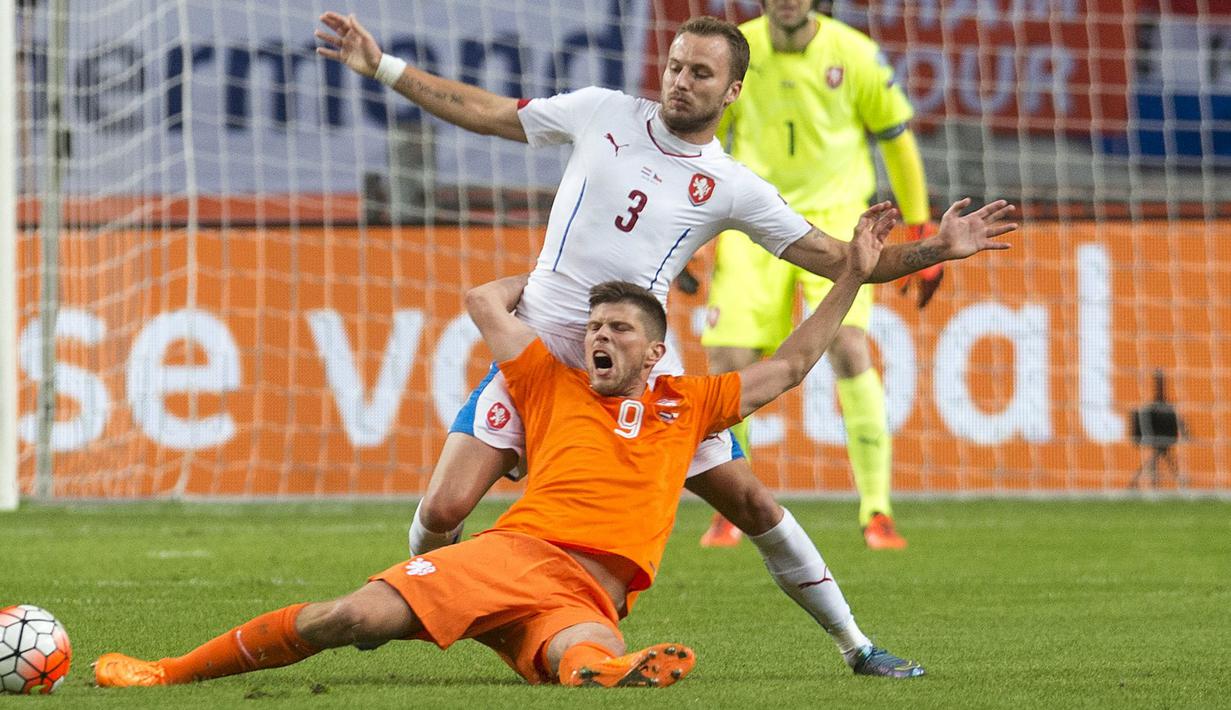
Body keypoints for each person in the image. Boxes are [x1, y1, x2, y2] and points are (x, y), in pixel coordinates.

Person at [313, 11, 1015, 673]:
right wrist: (383, 68)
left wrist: (936, 249)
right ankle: (414, 597)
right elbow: (490, 112)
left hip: (639, 377)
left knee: (753, 505)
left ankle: (857, 646)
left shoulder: (731, 186)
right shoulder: (601, 112)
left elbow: (840, 259)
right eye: (676, 66)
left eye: (701, 73)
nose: (681, 80)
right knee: (442, 510)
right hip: (538, 358)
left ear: (732, 91)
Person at [92, 205, 921, 688]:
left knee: (585, 652)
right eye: (593, 327)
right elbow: (483, 300)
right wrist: (553, 283)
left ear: (655, 352)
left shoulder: (693, 404)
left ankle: (608, 673)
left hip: (590, 594)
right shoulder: (547, 380)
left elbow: (792, 363)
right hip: (511, 557)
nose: (599, 337)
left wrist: (852, 274)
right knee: (346, 617)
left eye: (617, 329)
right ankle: (167, 671)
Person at [698, 0, 941, 550]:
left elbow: (895, 137)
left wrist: (920, 224)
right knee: (729, 359)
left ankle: (877, 511)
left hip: (837, 218)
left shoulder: (854, 53)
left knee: (849, 346)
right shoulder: (735, 50)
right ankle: (730, 507)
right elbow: (703, 139)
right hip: (755, 214)